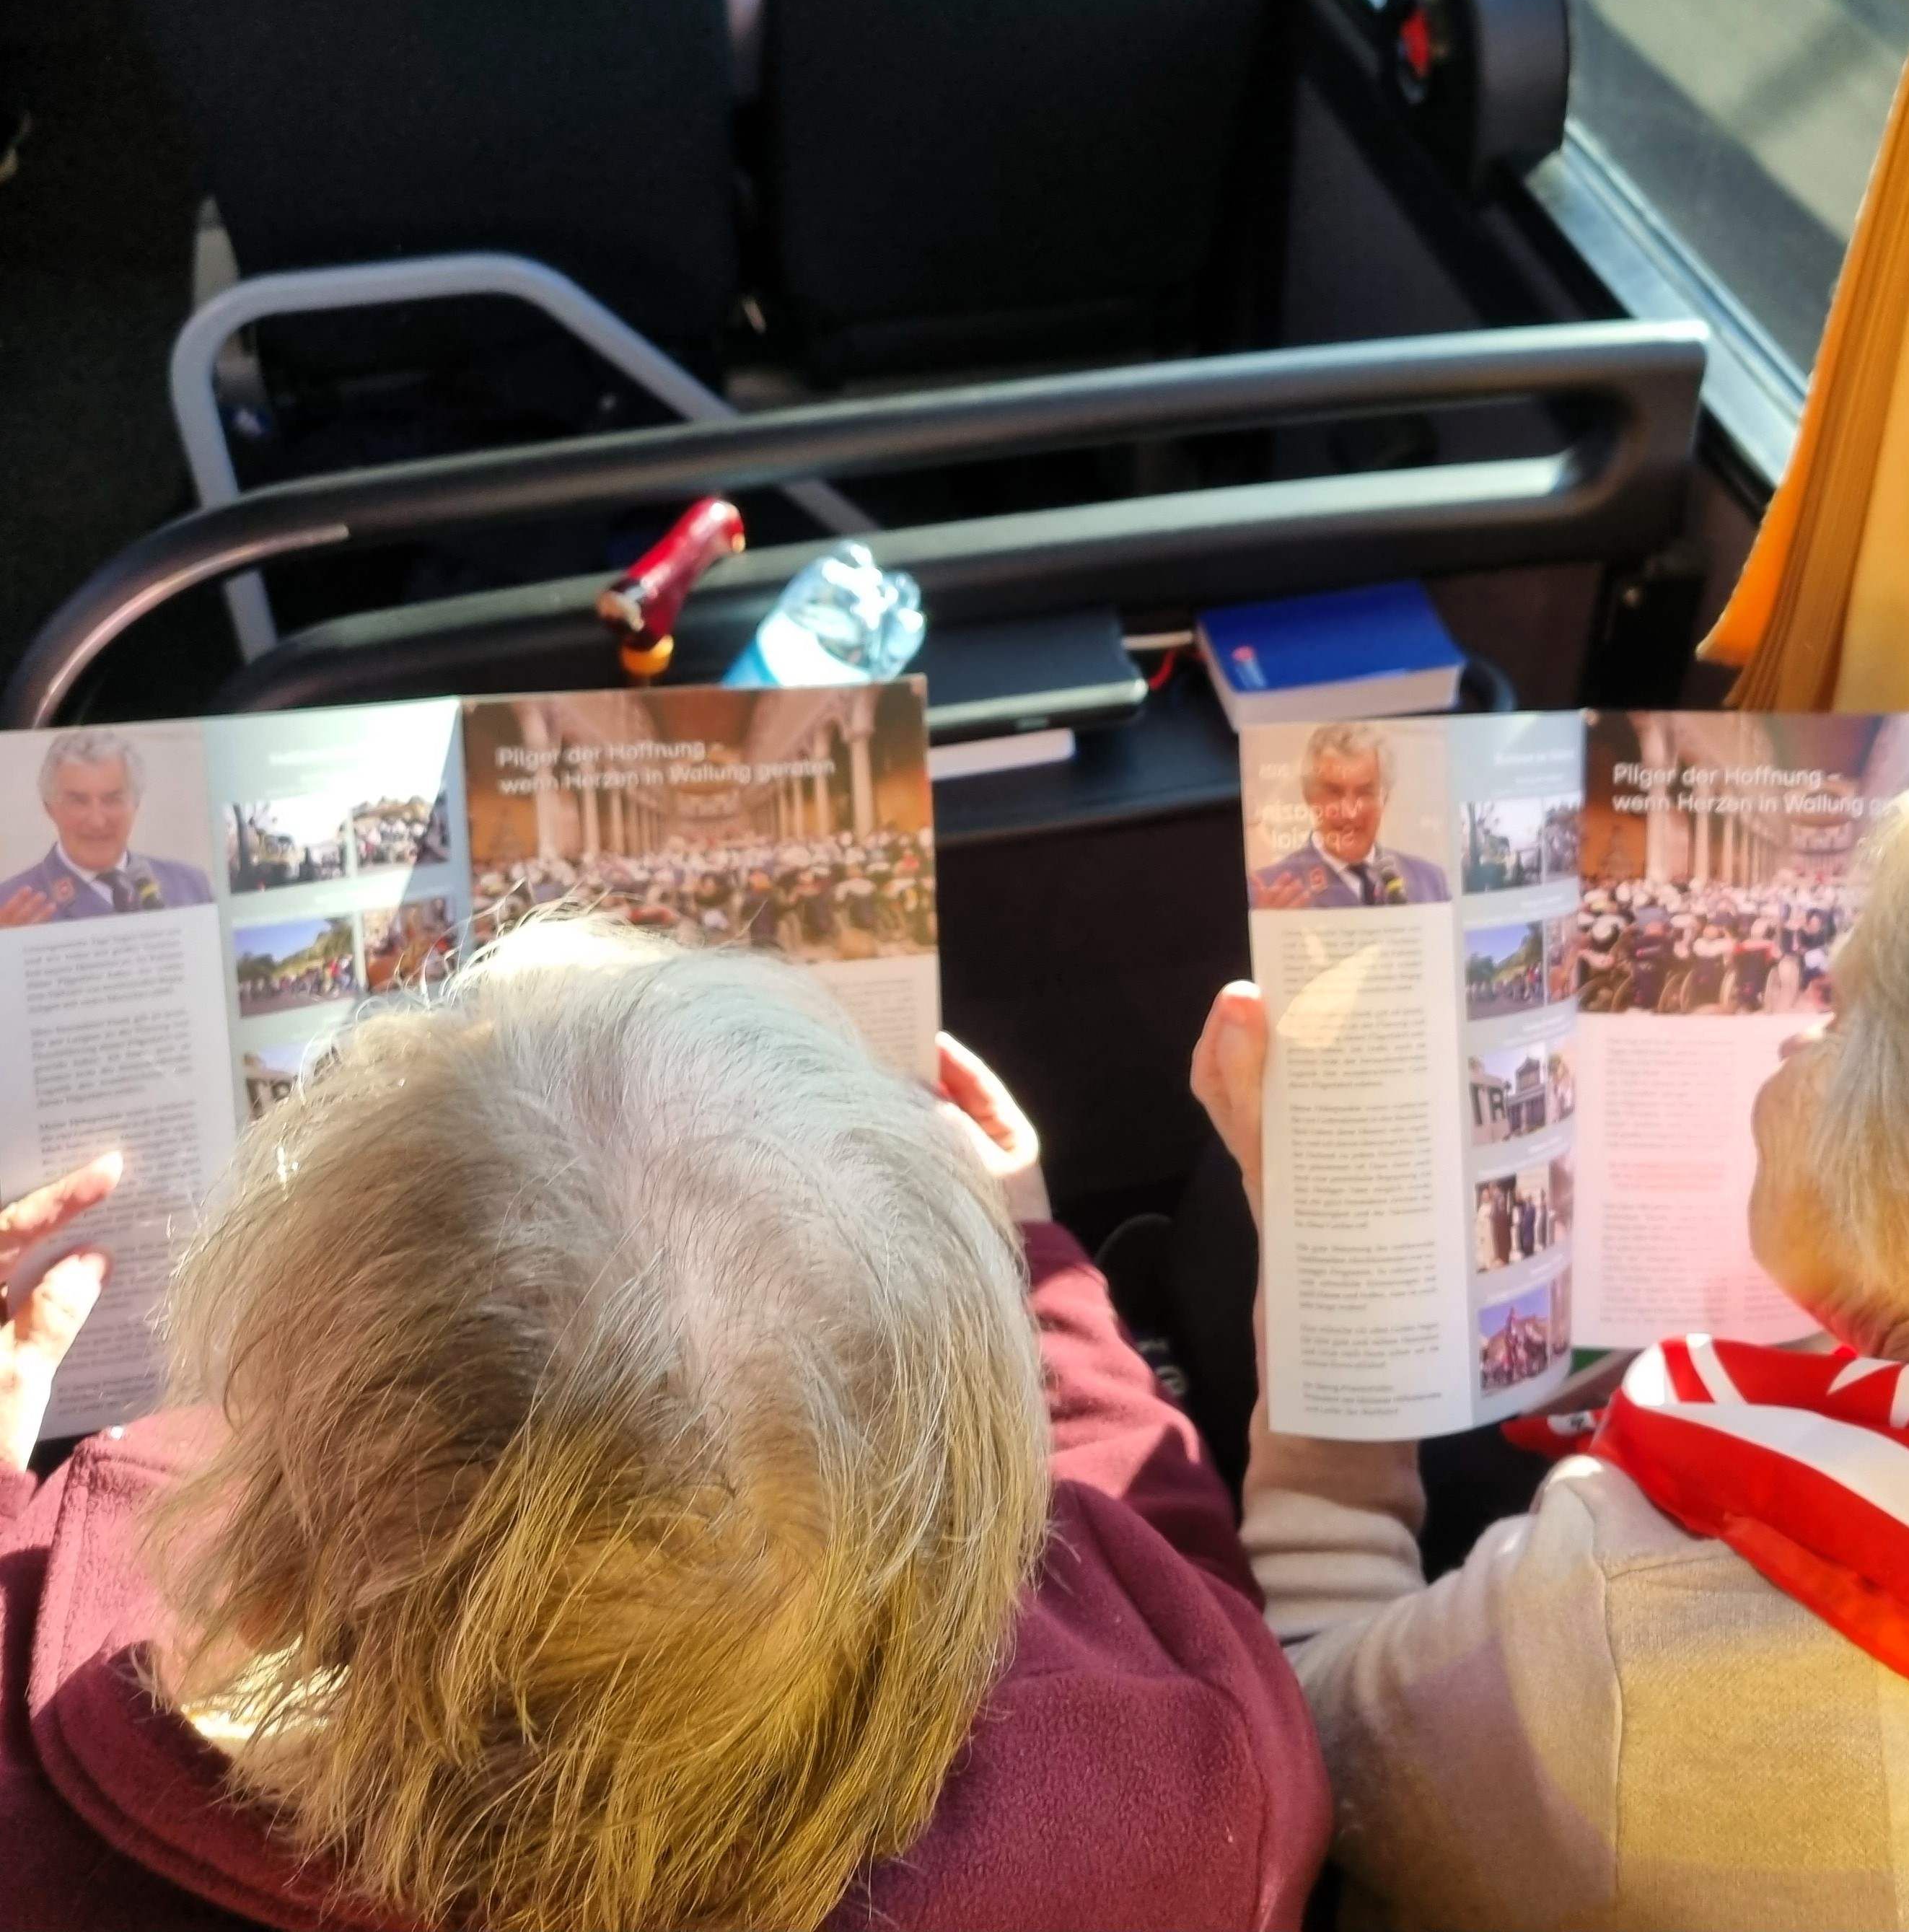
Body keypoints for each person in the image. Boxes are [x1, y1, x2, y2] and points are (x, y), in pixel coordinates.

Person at [1, 918, 1328, 1930]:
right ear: (981, 1540)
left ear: (267, 1579)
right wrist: (1039, 1269)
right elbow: (1166, 1585)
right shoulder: (1190, 1800)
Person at [1198, 743, 1909, 1929]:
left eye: (1841, 1017)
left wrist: (1319, 1241)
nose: (1791, 1040)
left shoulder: (1634, 1629)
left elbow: (1303, 1742)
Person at [0, 730, 214, 925]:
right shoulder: (9, 905)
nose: (97, 821)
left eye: (113, 800)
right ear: (49, 808)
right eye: (78, 802)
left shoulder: (190, 887)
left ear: (136, 804)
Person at [1249, 724, 1452, 909]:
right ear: (1309, 796)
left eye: (1365, 793)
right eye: (1333, 793)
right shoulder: (1268, 891)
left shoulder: (1430, 883)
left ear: (1385, 798)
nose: (1349, 812)